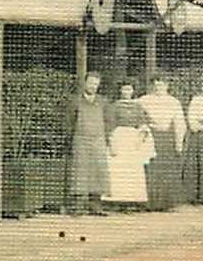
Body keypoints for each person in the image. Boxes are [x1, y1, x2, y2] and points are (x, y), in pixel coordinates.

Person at [64, 70, 113, 216]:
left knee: (99, 172)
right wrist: (72, 137)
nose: (93, 86)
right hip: (80, 139)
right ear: (85, 83)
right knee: (80, 172)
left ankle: (96, 206)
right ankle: (78, 207)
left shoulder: (103, 101)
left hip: (98, 140)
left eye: (96, 84)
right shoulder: (75, 100)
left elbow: (108, 121)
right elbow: (69, 121)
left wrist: (106, 137)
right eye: (91, 83)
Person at [138, 77, 187, 212]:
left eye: (162, 85)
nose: (159, 88)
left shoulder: (173, 102)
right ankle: (150, 202)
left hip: (167, 139)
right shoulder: (144, 100)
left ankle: (167, 203)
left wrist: (178, 143)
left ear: (167, 86)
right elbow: (137, 117)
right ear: (153, 86)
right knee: (151, 169)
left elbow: (179, 124)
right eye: (156, 85)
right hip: (150, 138)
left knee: (167, 170)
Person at [106, 86, 155, 208]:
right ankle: (117, 201)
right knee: (118, 168)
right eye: (124, 89)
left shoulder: (138, 106)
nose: (127, 92)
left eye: (129, 90)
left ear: (133, 91)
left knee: (132, 169)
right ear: (120, 91)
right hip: (119, 137)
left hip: (133, 138)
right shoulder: (114, 106)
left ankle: (132, 201)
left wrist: (141, 138)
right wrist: (112, 141)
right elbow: (109, 124)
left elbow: (143, 123)